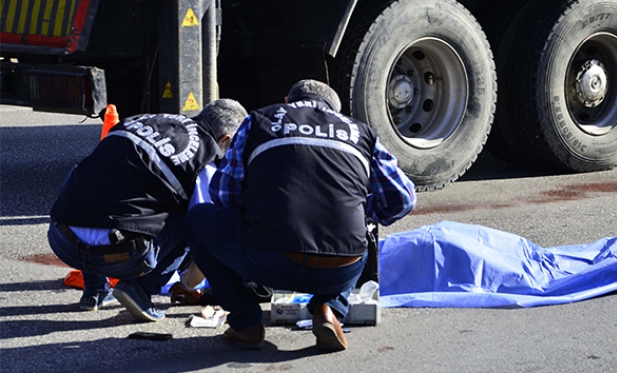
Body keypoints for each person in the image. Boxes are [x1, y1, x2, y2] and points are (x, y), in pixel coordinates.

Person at [185, 79, 416, 350]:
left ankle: (246, 324)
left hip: (269, 262)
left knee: (198, 219)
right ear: (335, 111)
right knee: (360, 234)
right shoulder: (361, 132)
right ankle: (329, 309)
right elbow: (403, 199)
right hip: (342, 267)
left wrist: (256, 212)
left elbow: (223, 194)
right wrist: (363, 213)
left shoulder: (260, 120)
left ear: (287, 102)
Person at [48, 99, 248, 322]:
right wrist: (190, 283)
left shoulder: (140, 121)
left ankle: (95, 289)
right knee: (197, 218)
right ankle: (140, 289)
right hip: (117, 254)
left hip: (61, 238)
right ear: (226, 139)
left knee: (95, 182)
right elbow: (207, 235)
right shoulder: (207, 156)